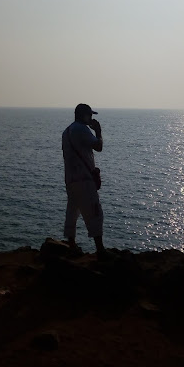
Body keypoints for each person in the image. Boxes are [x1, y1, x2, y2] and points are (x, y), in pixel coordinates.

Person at [62, 103, 109, 261]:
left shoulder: (66, 132)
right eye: (90, 115)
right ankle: (100, 250)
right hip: (84, 180)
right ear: (84, 116)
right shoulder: (82, 129)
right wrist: (98, 131)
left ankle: (71, 245)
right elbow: (99, 146)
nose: (91, 118)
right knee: (95, 212)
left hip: (70, 180)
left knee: (72, 212)